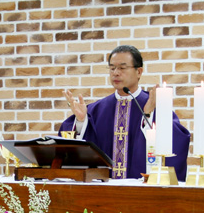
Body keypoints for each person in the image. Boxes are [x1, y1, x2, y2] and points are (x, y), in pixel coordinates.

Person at [59, 45, 190, 181]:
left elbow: (176, 141)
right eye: (112, 68)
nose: (115, 73)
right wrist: (81, 122)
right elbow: (72, 150)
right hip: (103, 192)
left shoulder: (154, 105)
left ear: (139, 72)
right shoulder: (96, 110)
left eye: (122, 68)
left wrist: (148, 115)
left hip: (141, 192)